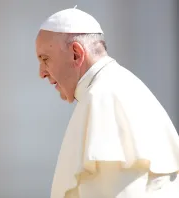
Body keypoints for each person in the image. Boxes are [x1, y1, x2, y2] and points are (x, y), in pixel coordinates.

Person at [35, 7, 179, 198]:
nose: (41, 73)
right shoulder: (113, 88)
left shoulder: (104, 98)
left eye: (45, 59)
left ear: (76, 54)